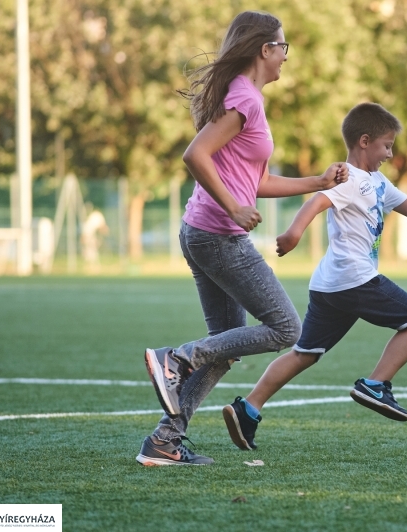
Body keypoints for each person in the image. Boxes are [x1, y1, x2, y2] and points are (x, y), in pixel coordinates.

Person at [136, 11, 349, 466]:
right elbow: (196, 155)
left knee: (225, 347)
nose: (286, 57)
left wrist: (318, 181)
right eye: (283, 47)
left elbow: (258, 180)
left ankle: (164, 441)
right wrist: (233, 206)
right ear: (264, 49)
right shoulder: (244, 99)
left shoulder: (247, 96)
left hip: (202, 232)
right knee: (286, 328)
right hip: (218, 235)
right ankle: (177, 358)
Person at [222, 102, 407, 451]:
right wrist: (294, 234)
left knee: (306, 353)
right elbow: (316, 202)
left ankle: (248, 408)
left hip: (329, 285)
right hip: (354, 278)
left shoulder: (378, 182)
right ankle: (375, 385)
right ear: (365, 141)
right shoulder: (349, 177)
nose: (390, 153)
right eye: (387, 145)